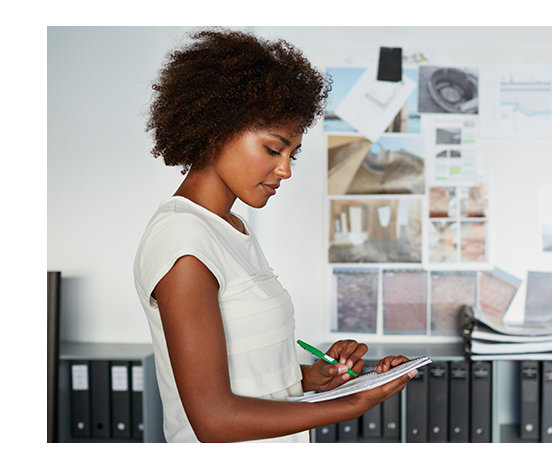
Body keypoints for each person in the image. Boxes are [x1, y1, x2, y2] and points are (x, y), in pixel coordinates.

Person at [134, 29, 415, 443]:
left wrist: (311, 379)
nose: (285, 170)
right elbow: (213, 418)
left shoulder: (230, 229)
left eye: (292, 154)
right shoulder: (185, 243)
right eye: (273, 149)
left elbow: (248, 375)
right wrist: (350, 406)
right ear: (215, 131)